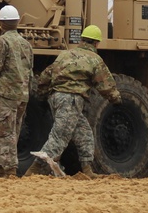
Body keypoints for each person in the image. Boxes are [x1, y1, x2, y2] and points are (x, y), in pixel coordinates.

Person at [29, 24, 121, 178]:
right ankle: (34, 169)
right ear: (96, 43)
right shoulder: (95, 59)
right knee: (59, 137)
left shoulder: (65, 54)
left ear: (82, 39)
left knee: (84, 133)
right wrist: (115, 99)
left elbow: (46, 75)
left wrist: (42, 95)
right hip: (71, 100)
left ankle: (87, 170)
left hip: (56, 97)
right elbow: (105, 84)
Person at [0, 4, 33, 177]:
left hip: (6, 94)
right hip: (23, 95)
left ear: (1, 24)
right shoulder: (26, 44)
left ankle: (10, 169)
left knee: (5, 132)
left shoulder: (2, 42)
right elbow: (30, 70)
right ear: (17, 21)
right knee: (13, 131)